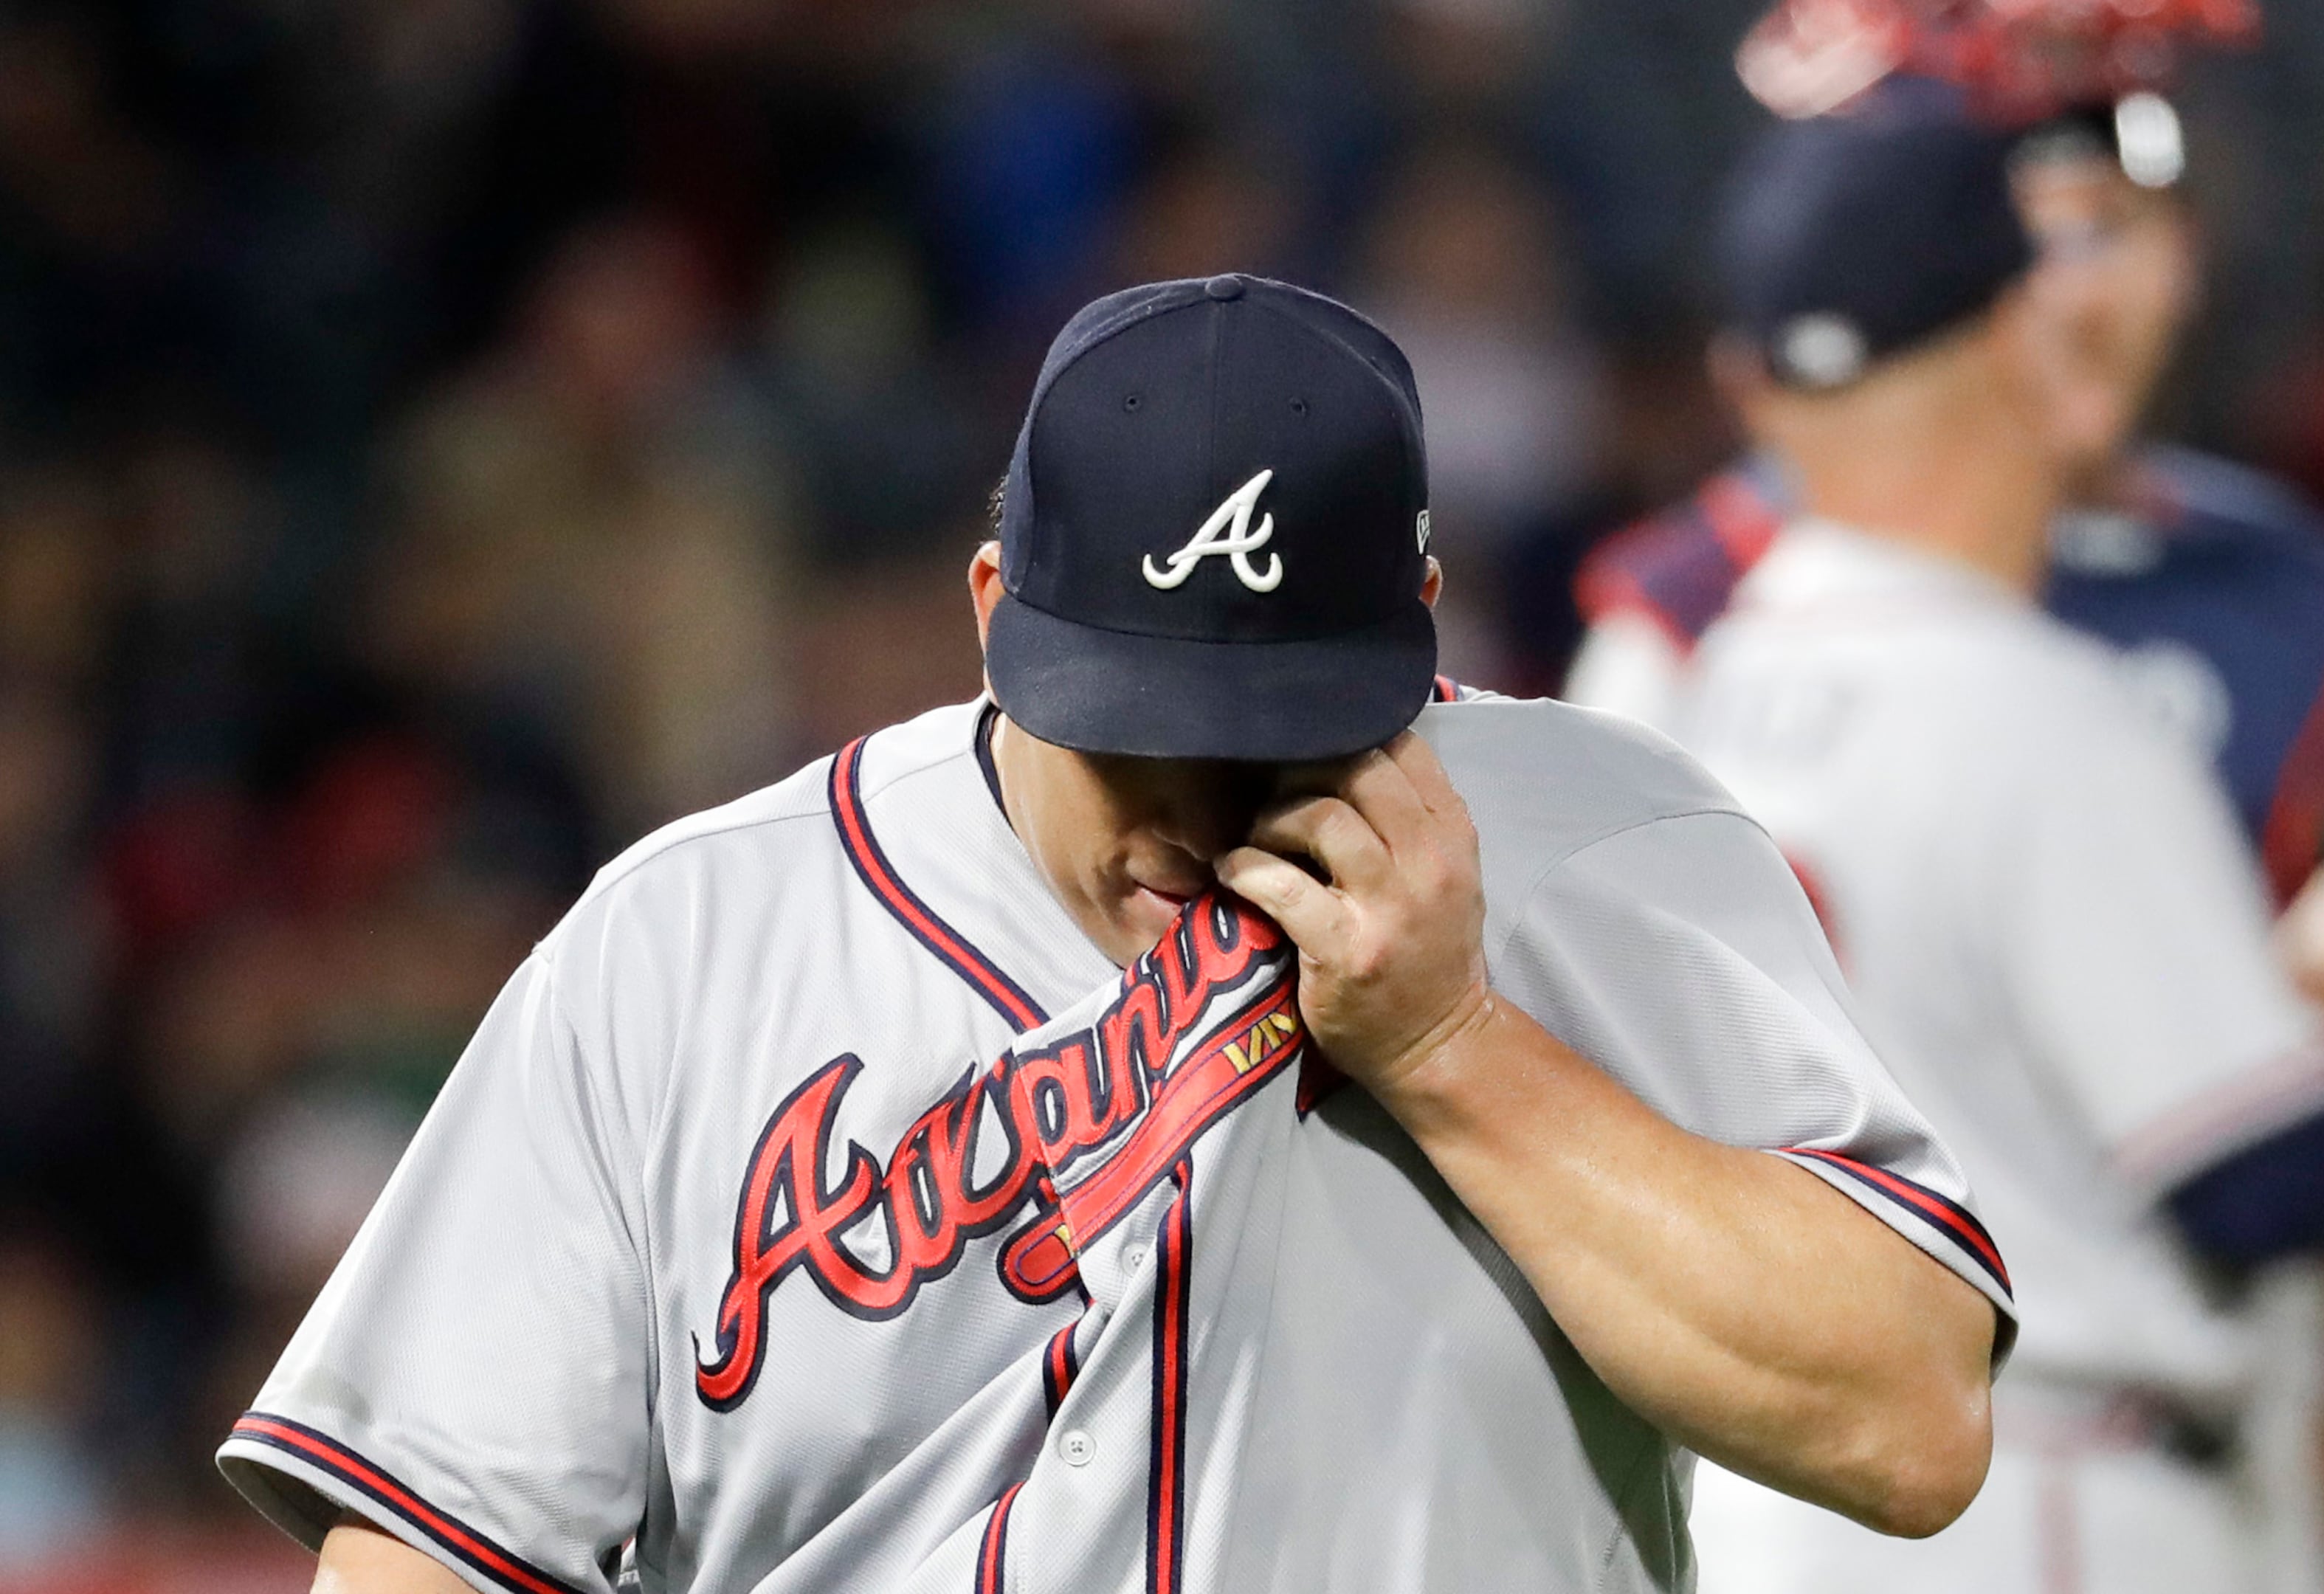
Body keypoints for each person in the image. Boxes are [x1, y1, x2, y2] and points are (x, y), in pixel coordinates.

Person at [215, 274, 2011, 1594]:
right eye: (1130, 722)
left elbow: (1909, 1425)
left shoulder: (1615, 852)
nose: (1191, 803)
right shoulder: (691, 945)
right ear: (994, 609)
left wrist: (1464, 1053)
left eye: (1278, 728)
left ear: (1422, 632)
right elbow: (433, 1550)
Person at [1621, 99, 2324, 1594]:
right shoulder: (2044, 710)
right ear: (2017, 332)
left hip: (1753, 1480)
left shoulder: (1700, 660)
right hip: (2052, 1485)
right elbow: (2262, 1182)